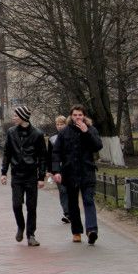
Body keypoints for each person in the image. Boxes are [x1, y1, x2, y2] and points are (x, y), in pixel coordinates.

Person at [51, 105, 104, 245]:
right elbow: (56, 152)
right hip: (70, 172)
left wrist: (86, 132)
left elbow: (98, 146)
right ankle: (76, 232)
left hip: (87, 171)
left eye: (80, 115)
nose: (77, 117)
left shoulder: (91, 129)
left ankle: (92, 230)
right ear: (71, 116)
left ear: (84, 116)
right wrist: (56, 171)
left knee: (88, 200)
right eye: (75, 115)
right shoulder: (65, 132)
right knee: (73, 203)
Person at [0, 106, 47, 246]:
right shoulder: (11, 132)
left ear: (23, 117)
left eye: (16, 115)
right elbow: (7, 153)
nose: (13, 118)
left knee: (31, 207)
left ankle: (31, 235)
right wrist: (3, 173)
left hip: (31, 175)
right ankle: (21, 226)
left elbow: (42, 157)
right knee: (16, 205)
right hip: (17, 175)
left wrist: (41, 177)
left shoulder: (37, 134)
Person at [46, 115, 70, 224]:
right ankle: (67, 213)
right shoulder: (52, 138)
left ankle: (72, 211)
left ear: (66, 124)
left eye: (62, 124)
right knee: (63, 190)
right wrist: (49, 170)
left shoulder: (70, 135)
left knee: (70, 190)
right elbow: (49, 155)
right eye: (57, 124)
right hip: (58, 169)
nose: (59, 126)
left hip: (69, 168)